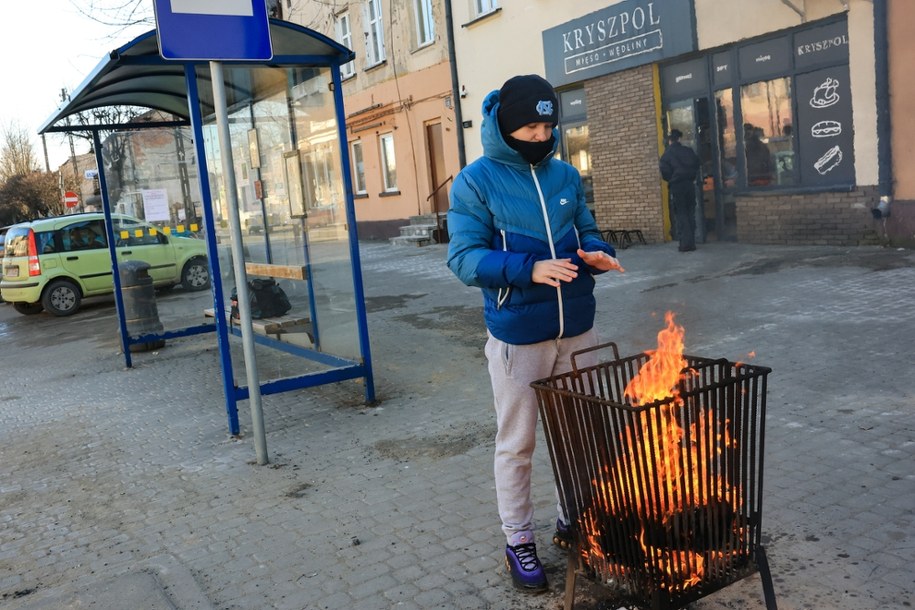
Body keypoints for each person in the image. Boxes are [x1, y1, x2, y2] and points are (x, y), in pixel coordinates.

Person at [446, 74, 624, 594]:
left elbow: (586, 227)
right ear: (505, 124)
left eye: (549, 124)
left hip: (577, 329)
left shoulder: (566, 175)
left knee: (581, 437)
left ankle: (577, 520)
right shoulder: (475, 181)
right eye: (531, 125)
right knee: (518, 443)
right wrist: (529, 269)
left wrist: (594, 250)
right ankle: (518, 540)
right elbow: (462, 259)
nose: (542, 134)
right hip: (518, 337)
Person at [658, 129, 701, 252]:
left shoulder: (667, 154)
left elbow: (664, 171)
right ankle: (692, 242)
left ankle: (685, 244)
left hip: (677, 186)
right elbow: (697, 163)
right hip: (689, 184)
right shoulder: (688, 151)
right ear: (679, 139)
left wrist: (672, 179)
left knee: (681, 214)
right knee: (690, 212)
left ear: (670, 140)